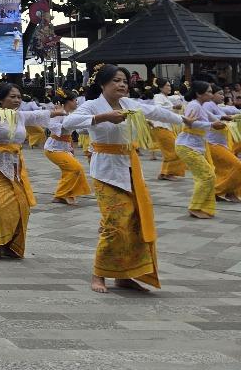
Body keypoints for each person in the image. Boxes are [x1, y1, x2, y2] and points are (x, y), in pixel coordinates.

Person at [60, 65, 181, 293]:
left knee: (134, 221)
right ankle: (99, 273)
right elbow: (67, 123)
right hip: (105, 170)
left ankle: (125, 274)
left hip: (130, 169)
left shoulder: (129, 104)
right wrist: (102, 117)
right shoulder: (92, 105)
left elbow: (154, 112)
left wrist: (183, 119)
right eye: (116, 80)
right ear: (103, 84)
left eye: (125, 80)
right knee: (115, 222)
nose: (122, 84)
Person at [0, 82, 63, 261]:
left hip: (14, 166)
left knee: (21, 206)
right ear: (1, 99)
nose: (17, 100)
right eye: (12, 96)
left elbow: (38, 115)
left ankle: (11, 245)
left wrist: (61, 111)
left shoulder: (20, 116)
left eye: (19, 96)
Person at [174, 81, 219, 219]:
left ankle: (202, 206)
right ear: (199, 93)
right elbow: (190, 123)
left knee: (208, 175)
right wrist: (212, 125)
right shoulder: (194, 105)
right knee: (207, 176)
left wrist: (224, 119)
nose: (211, 94)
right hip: (187, 146)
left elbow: (214, 117)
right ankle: (195, 207)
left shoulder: (200, 106)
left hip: (194, 146)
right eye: (209, 91)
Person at [43, 89, 91, 206]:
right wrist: (66, 123)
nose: (77, 103)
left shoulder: (70, 114)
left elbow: (79, 128)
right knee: (76, 168)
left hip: (64, 147)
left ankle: (64, 195)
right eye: (75, 100)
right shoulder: (60, 112)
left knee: (70, 170)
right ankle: (61, 194)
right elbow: (51, 125)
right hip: (53, 148)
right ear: (68, 101)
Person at [203, 86, 241, 203]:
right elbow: (207, 115)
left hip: (220, 143)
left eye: (223, 94)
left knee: (226, 170)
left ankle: (230, 193)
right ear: (212, 95)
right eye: (219, 94)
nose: (222, 96)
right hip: (213, 144)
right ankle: (215, 191)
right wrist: (222, 118)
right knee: (238, 166)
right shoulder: (207, 105)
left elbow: (231, 110)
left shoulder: (217, 106)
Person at [151, 79, 185, 179]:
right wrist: (173, 107)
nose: (169, 87)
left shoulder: (166, 98)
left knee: (170, 151)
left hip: (165, 127)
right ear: (161, 87)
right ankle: (167, 173)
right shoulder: (158, 96)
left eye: (170, 86)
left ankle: (164, 173)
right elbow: (158, 108)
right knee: (173, 151)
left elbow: (177, 98)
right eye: (167, 86)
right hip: (161, 127)